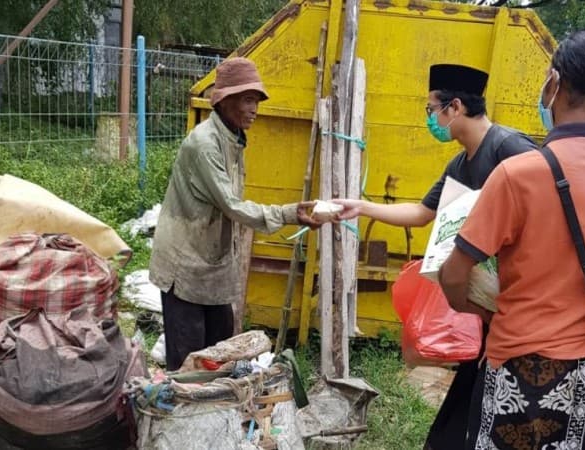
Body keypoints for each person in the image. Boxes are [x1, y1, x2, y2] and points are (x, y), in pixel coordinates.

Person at [439, 28, 585, 449]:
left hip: (517, 363)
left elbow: (454, 273)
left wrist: (482, 311)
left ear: (555, 83)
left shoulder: (518, 174)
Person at [333, 63, 537, 450]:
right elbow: (423, 213)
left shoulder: (510, 148)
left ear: (454, 107)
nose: (430, 118)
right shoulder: (460, 164)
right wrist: (361, 207)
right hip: (494, 306)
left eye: (431, 109)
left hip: (524, 303)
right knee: (463, 415)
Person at [149, 57, 321, 371]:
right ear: (225, 100)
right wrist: (288, 213)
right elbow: (232, 205)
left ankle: (215, 412)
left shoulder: (233, 137)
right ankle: (185, 416)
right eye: (247, 100)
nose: (255, 108)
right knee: (188, 363)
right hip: (184, 263)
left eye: (256, 100)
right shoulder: (205, 144)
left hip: (210, 261)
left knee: (220, 352)